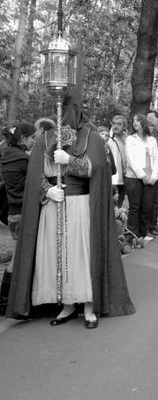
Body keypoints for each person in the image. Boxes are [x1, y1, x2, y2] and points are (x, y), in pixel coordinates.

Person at [5, 65, 135, 326]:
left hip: (81, 205)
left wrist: (71, 160)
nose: (69, 112)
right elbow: (36, 174)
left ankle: (88, 305)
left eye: (73, 107)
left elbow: (99, 169)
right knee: (57, 255)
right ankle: (66, 304)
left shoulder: (92, 138)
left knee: (81, 255)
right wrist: (47, 190)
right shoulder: (46, 137)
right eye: (65, 106)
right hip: (55, 205)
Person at [0, 123, 37, 315]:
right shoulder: (23, 159)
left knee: (17, 257)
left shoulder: (8, 156)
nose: (34, 141)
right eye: (32, 138)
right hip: (23, 212)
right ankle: (7, 302)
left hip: (13, 213)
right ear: (23, 138)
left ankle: (5, 301)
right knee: (19, 259)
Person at [125, 114, 158, 243]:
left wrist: (154, 176)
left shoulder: (152, 140)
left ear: (143, 123)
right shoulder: (130, 139)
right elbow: (130, 159)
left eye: (138, 120)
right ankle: (132, 235)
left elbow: (156, 159)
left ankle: (143, 234)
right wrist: (142, 175)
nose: (135, 122)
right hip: (134, 177)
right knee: (135, 207)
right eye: (133, 120)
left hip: (150, 178)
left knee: (146, 206)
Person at [108, 115, 128, 208]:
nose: (116, 126)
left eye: (119, 124)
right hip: (112, 178)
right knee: (111, 204)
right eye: (114, 123)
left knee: (120, 205)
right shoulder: (108, 139)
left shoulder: (128, 140)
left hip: (124, 176)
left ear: (124, 126)